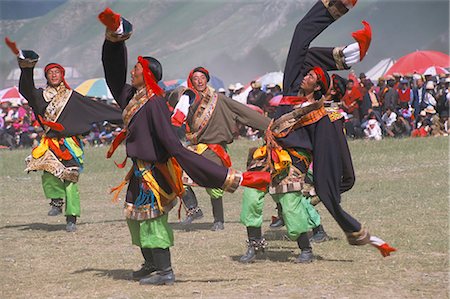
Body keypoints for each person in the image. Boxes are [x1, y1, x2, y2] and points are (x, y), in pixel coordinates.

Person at [99, 8, 270, 285]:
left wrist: (224, 175)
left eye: (137, 69)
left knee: (152, 220)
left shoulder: (154, 103)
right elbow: (113, 72)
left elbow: (171, 144)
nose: (132, 73)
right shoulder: (132, 97)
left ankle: (165, 271)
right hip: (138, 170)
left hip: (153, 172)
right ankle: (151, 262)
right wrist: (115, 39)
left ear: (149, 75)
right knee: (135, 217)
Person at [252, 0, 395, 263]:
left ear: (321, 88)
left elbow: (339, 161)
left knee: (293, 204)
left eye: (313, 76)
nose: (306, 75)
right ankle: (253, 245)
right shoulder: (292, 87)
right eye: (307, 73)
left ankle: (306, 246)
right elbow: (301, 38)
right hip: (268, 152)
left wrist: (331, 188)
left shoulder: (324, 115)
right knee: (251, 197)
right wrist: (341, 48)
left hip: (293, 160)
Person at [5, 36, 123, 232]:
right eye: (50, 72)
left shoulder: (72, 97)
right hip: (50, 142)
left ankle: (71, 218)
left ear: (62, 75)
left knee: (70, 179)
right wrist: (27, 68)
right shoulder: (39, 95)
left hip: (71, 144)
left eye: (57, 72)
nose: (54, 75)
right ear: (46, 76)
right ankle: (56, 201)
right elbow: (26, 89)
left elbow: (95, 108)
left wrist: (124, 116)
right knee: (48, 173)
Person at [170, 67, 271, 230]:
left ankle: (219, 220)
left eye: (202, 77)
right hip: (195, 147)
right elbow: (173, 98)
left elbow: (243, 112)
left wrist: (270, 125)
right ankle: (193, 209)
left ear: (207, 80)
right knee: (177, 172)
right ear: (191, 82)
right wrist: (184, 94)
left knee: (215, 184)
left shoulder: (220, 100)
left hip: (215, 148)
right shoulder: (188, 99)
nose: (199, 81)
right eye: (195, 78)